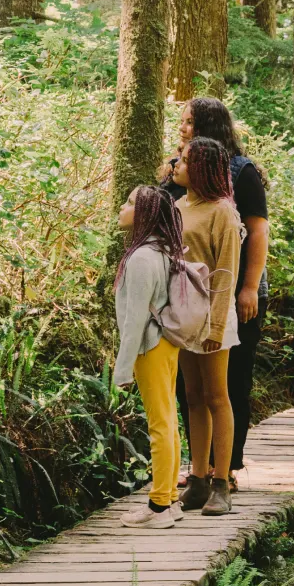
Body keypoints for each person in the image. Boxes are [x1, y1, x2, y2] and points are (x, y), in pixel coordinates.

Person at [161, 98, 269, 493]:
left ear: (208, 126)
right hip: (186, 299)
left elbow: (256, 231)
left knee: (230, 384)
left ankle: (227, 469)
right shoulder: (179, 174)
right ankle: (200, 470)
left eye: (189, 122)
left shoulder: (240, 174)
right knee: (190, 391)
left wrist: (250, 287)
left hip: (231, 292)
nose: (182, 128)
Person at [171, 137, 243, 516]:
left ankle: (221, 483)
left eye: (182, 161)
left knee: (217, 396)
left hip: (214, 314)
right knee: (193, 396)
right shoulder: (178, 206)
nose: (175, 165)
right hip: (184, 315)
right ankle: (197, 479)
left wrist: (216, 325)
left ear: (200, 169)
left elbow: (226, 272)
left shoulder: (223, 213)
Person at [113, 186, 188, 529]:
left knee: (160, 423)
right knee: (168, 420)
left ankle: (159, 506)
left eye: (130, 203)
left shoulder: (142, 257)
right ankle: (169, 499)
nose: (122, 207)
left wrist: (122, 367)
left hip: (151, 346)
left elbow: (135, 319)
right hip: (165, 344)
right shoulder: (162, 250)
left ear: (144, 215)